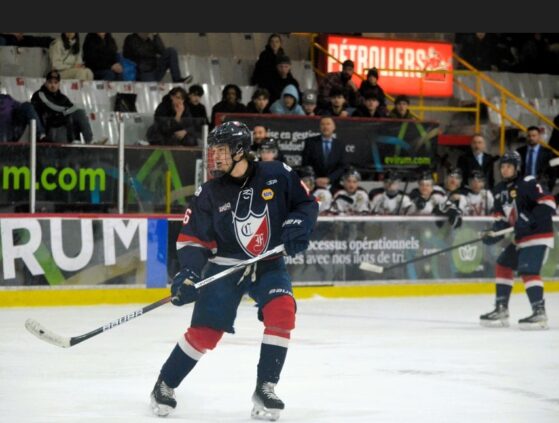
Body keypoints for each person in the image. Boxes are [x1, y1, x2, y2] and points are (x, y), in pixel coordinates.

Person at [150, 121, 319, 421]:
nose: (215, 156)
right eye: (213, 150)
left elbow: (305, 204)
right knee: (205, 334)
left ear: (240, 151)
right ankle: (165, 383)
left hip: (268, 263)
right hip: (225, 268)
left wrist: (297, 226)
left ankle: (265, 388)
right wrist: (188, 273)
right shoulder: (209, 193)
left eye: (221, 150)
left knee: (282, 311)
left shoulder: (277, 174)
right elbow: (192, 239)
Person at [480, 151, 556, 329]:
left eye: (509, 166)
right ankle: (501, 308)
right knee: (503, 264)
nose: (505, 170)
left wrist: (528, 218)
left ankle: (539, 312)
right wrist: (493, 233)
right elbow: (502, 222)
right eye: (503, 166)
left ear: (517, 168)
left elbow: (549, 203)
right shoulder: (498, 190)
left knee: (528, 269)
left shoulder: (528, 182)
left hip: (538, 235)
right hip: (520, 239)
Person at [30, 70, 95, 144]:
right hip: (50, 129)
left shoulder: (61, 97)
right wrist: (66, 111)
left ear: (59, 84)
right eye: (50, 82)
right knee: (72, 114)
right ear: (46, 83)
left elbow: (73, 108)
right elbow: (52, 107)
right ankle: (74, 140)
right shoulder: (40, 94)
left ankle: (89, 141)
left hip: (63, 126)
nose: (53, 85)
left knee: (79, 113)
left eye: (55, 83)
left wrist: (66, 112)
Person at [123, 33, 192, 83]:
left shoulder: (149, 41)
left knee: (171, 51)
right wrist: (153, 53)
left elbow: (162, 51)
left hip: (155, 68)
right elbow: (140, 52)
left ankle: (177, 80)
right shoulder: (131, 38)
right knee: (151, 87)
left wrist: (156, 35)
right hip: (142, 72)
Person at [301, 116, 346, 189]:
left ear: (334, 127)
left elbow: (342, 167)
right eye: (322, 124)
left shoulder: (340, 145)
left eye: (328, 124)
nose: (325, 127)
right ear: (319, 127)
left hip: (334, 185)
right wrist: (315, 179)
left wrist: (329, 179)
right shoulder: (310, 142)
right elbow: (305, 165)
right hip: (313, 184)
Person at [516, 126, 556, 192]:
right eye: (529, 136)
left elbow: (553, 173)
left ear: (539, 137)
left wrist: (548, 189)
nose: (531, 138)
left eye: (534, 136)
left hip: (541, 186)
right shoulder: (519, 152)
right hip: (523, 186)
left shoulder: (547, 153)